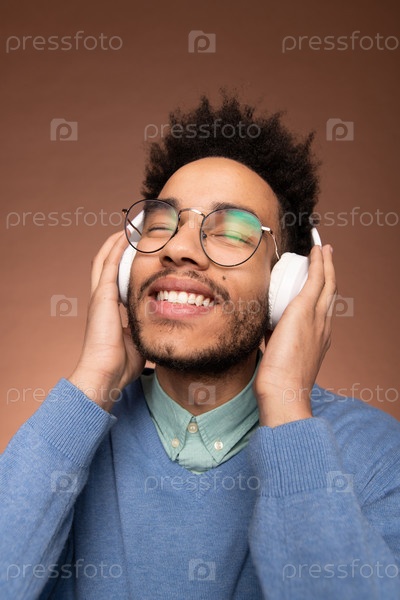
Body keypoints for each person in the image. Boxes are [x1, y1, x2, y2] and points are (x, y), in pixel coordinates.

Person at [1, 94, 399, 600]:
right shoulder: (63, 444)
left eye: (231, 232)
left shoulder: (377, 456)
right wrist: (92, 383)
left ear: (288, 287)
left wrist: (286, 407)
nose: (178, 247)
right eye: (161, 224)